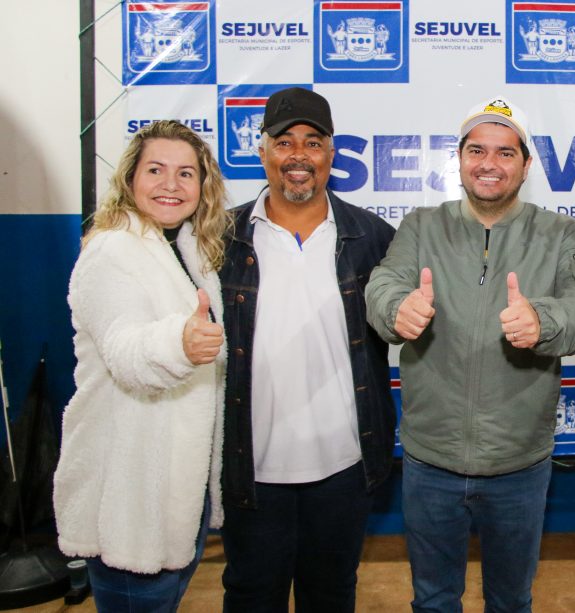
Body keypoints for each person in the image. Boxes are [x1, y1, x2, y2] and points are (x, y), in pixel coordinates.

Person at [366, 95, 575, 612]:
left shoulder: (559, 232)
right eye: (476, 150)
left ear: (525, 164)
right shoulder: (421, 226)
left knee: (511, 601)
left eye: (504, 152)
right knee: (432, 600)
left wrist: (544, 320)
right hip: (432, 460)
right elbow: (385, 282)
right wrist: (395, 310)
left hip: (520, 462)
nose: (489, 164)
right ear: (459, 157)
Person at [219, 87, 397, 612]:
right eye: (284, 141)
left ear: (332, 153)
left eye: (312, 142)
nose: (298, 155)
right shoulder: (221, 236)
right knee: (252, 595)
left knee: (332, 594)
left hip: (344, 465)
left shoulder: (373, 237)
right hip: (252, 467)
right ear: (263, 151)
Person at [53, 120, 231, 612]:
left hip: (176, 492)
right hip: (131, 497)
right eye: (156, 170)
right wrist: (178, 343)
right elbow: (125, 350)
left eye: (185, 173)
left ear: (203, 186)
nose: (171, 185)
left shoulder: (190, 250)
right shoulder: (112, 250)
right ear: (131, 179)